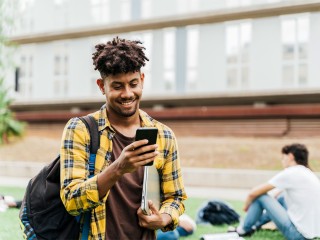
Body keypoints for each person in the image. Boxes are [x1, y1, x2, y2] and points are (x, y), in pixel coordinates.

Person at [60, 36, 187, 240]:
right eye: (117, 86)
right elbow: (71, 201)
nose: (127, 94)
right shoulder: (80, 130)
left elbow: (176, 197)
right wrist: (118, 168)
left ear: (142, 80)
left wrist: (163, 218)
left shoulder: (164, 135)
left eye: (133, 84)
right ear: (102, 86)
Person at [229, 143, 320, 240]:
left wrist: (246, 206)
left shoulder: (291, 172)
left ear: (290, 156)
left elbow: (253, 193)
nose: (282, 161)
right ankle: (255, 226)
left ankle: (242, 230)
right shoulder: (307, 173)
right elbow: (277, 195)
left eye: (283, 158)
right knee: (280, 198)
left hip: (297, 235)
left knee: (261, 197)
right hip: (311, 234)